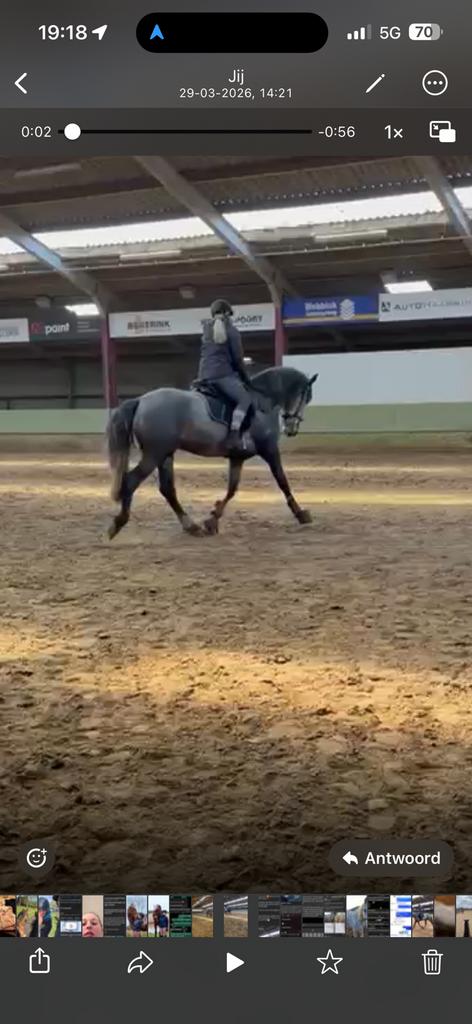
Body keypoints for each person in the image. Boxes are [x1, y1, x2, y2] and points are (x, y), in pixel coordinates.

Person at [197, 299, 253, 453]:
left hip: (203, 375)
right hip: (222, 375)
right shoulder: (232, 331)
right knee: (245, 399)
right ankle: (234, 435)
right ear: (227, 314)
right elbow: (237, 359)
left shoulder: (206, 329)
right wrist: (245, 378)